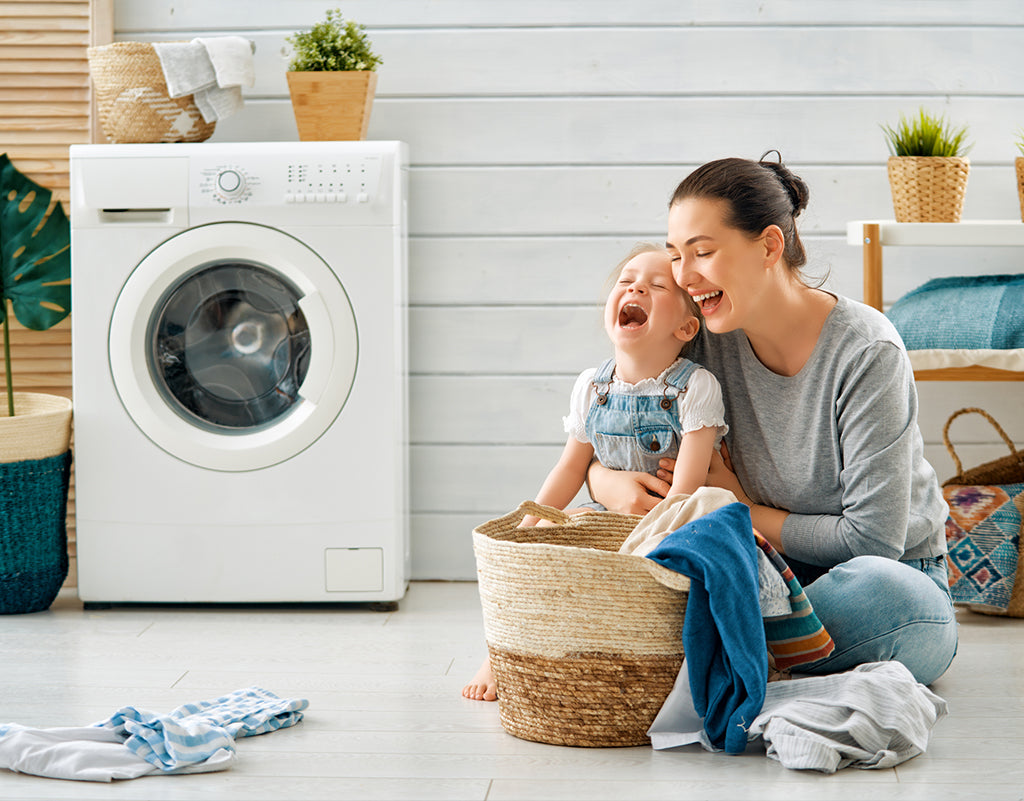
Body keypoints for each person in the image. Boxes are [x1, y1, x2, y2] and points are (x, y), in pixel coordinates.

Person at [589, 153, 957, 686]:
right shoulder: (703, 336)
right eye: (675, 255)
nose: (684, 276)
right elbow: (605, 416)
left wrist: (740, 509)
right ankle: (744, 655)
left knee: (886, 592)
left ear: (768, 246)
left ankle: (699, 655)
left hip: (872, 582)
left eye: (703, 252)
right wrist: (607, 483)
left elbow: (873, 544)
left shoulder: (866, 351)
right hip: (749, 572)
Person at [462, 243, 727, 701]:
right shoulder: (593, 386)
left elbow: (685, 493)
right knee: (545, 548)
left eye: (657, 285)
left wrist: (651, 537)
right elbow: (571, 466)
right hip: (604, 514)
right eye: (626, 281)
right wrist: (530, 525)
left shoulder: (695, 388)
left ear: (686, 326)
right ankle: (502, 651)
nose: (636, 286)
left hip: (666, 522)